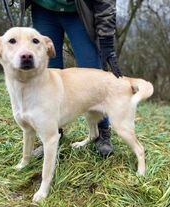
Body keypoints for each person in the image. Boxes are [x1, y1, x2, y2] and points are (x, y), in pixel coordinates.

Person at [25, 0, 122, 157]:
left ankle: (102, 132)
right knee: (47, 76)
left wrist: (106, 40)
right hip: (43, 9)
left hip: (79, 11)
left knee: (92, 73)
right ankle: (52, 133)